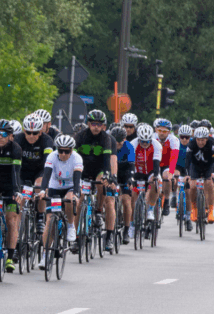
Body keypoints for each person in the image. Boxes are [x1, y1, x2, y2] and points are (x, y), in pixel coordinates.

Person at [74, 110, 118, 252]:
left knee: (101, 183)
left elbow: (107, 160)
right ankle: (76, 238)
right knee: (80, 201)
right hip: (83, 169)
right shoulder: (80, 136)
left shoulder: (106, 139)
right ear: (88, 124)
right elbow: (73, 157)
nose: (96, 127)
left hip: (99, 169)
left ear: (103, 126)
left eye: (99, 124)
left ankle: (99, 210)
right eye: (93, 124)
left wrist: (107, 175)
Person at [37, 134, 82, 262]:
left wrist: (76, 194)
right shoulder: (52, 156)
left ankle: (70, 225)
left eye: (66, 151)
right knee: (49, 221)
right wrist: (42, 191)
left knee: (70, 199)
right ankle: (45, 254)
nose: (63, 154)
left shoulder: (77, 158)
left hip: (70, 187)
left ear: (71, 150)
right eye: (60, 151)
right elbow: (46, 175)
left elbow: (77, 178)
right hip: (54, 188)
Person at [14, 114, 55, 234]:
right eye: (28, 132)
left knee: (39, 186)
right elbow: (14, 163)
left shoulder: (47, 140)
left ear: (40, 132)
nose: (31, 136)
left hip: (40, 170)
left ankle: (40, 216)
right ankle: (18, 230)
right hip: (23, 171)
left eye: (35, 133)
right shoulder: (18, 139)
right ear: (24, 131)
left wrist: (44, 185)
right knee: (21, 198)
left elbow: (48, 163)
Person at [0, 119, 22, 272]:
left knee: (11, 219)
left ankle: (10, 256)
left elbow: (15, 172)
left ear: (10, 136)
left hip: (11, 186)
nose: (0, 137)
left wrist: (16, 191)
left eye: (4, 134)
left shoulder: (15, 149)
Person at [128, 124, 161, 239]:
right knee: (133, 199)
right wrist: (131, 177)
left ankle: (150, 209)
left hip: (151, 171)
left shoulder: (156, 145)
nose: (145, 144)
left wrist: (155, 176)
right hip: (137, 171)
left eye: (147, 142)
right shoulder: (133, 144)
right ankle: (132, 225)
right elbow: (130, 163)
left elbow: (156, 163)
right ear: (138, 139)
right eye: (142, 142)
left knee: (156, 183)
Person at [185, 126, 214, 227]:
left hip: (208, 166)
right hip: (195, 166)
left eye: (203, 140)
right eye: (198, 140)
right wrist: (187, 174)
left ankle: (211, 211)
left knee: (209, 184)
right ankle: (194, 208)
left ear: (207, 139)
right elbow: (187, 160)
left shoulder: (212, 143)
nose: (200, 142)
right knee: (192, 186)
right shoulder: (191, 143)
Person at [153, 118, 179, 215]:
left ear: (169, 132)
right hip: (154, 163)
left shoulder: (174, 140)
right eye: (160, 130)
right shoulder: (152, 137)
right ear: (156, 130)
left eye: (164, 131)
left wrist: (171, 172)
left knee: (167, 178)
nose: (162, 133)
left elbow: (174, 157)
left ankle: (167, 200)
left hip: (166, 164)